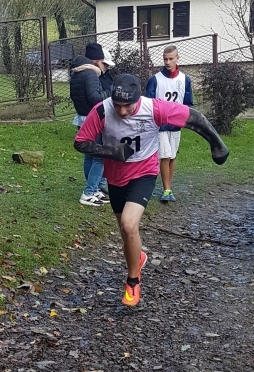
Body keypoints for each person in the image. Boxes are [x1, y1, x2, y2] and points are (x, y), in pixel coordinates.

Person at [75, 73, 230, 306]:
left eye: (128, 105)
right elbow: (81, 142)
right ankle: (139, 257)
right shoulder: (102, 110)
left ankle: (133, 281)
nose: (122, 111)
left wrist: (218, 146)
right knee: (126, 232)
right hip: (116, 178)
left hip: (144, 173)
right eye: (118, 105)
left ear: (138, 98)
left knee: (129, 224)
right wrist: (113, 152)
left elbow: (194, 117)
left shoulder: (155, 108)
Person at [145, 45, 193, 202]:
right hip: (160, 126)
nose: (167, 62)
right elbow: (149, 103)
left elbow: (187, 103)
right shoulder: (155, 79)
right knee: (164, 156)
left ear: (177, 58)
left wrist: (184, 119)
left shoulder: (184, 80)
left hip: (176, 124)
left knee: (172, 156)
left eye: (171, 59)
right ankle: (166, 189)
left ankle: (169, 187)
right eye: (165, 59)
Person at [69, 42, 113, 206]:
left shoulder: (76, 73)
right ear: (96, 61)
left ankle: (94, 189)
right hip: (93, 119)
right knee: (99, 157)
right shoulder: (91, 74)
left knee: (89, 155)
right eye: (103, 63)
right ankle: (90, 191)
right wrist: (111, 92)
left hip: (81, 118)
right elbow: (95, 98)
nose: (104, 67)